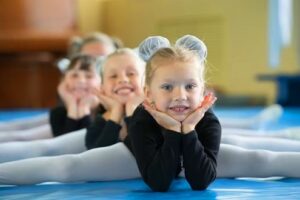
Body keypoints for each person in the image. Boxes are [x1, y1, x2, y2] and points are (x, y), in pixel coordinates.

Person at [1, 36, 300, 188]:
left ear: (203, 90)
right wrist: (172, 131)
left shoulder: (206, 118)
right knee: (67, 166)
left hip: (196, 155)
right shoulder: (143, 117)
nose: (179, 96)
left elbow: (201, 178)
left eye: (188, 87)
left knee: (263, 157)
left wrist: (188, 131)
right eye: (167, 87)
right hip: (138, 158)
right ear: (149, 94)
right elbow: (158, 179)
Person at [0, 48, 145, 163]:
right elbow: (69, 142)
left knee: (32, 140)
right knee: (21, 133)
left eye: (88, 76)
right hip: (73, 131)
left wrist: (83, 110)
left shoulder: (107, 106)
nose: (81, 81)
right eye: (74, 75)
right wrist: (73, 106)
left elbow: (78, 149)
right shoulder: (64, 111)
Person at [0, 32, 117, 133]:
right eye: (86, 58)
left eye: (102, 60)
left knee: (27, 136)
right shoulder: (73, 84)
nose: (93, 64)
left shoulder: (114, 95)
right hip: (68, 121)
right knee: (22, 128)